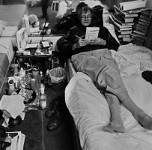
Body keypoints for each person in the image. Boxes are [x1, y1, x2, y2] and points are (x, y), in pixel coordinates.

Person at [57, 3, 152, 133]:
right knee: (107, 73)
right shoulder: (73, 31)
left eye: (88, 16)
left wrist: (103, 42)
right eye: (83, 16)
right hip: (84, 55)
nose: (86, 19)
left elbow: (115, 46)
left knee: (111, 78)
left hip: (103, 53)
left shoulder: (102, 30)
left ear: (92, 17)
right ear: (79, 18)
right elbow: (61, 44)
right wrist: (75, 45)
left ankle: (117, 122)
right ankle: (139, 113)